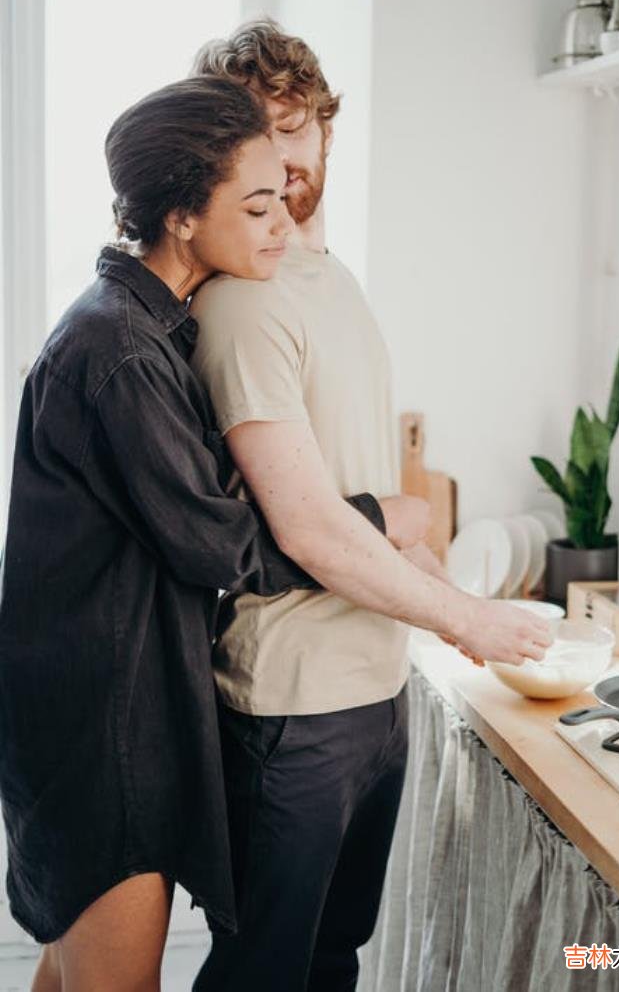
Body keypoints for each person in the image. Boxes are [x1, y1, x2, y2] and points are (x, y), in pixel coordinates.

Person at [0, 76, 401, 992]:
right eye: (256, 204)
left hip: (87, 708)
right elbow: (220, 545)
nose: (281, 221)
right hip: (104, 736)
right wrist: (379, 522)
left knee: (67, 973)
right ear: (182, 216)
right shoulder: (121, 354)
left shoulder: (137, 325)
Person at [188, 22, 550, 992]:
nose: (285, 155)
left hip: (375, 693)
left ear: (326, 134)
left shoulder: (327, 278)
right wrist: (464, 616)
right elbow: (303, 527)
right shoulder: (243, 301)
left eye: (298, 128)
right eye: (257, 134)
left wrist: (439, 599)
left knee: (333, 962)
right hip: (290, 709)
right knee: (263, 971)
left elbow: (358, 482)